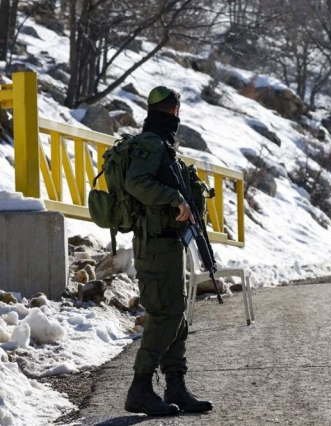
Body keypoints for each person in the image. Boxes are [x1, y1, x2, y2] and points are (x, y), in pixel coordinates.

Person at [123, 86, 213, 416]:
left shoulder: (160, 143)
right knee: (167, 314)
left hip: (166, 242)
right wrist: (175, 199)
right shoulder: (150, 143)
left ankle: (176, 385)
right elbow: (137, 182)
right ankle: (140, 388)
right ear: (174, 111)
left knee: (176, 315)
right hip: (154, 243)